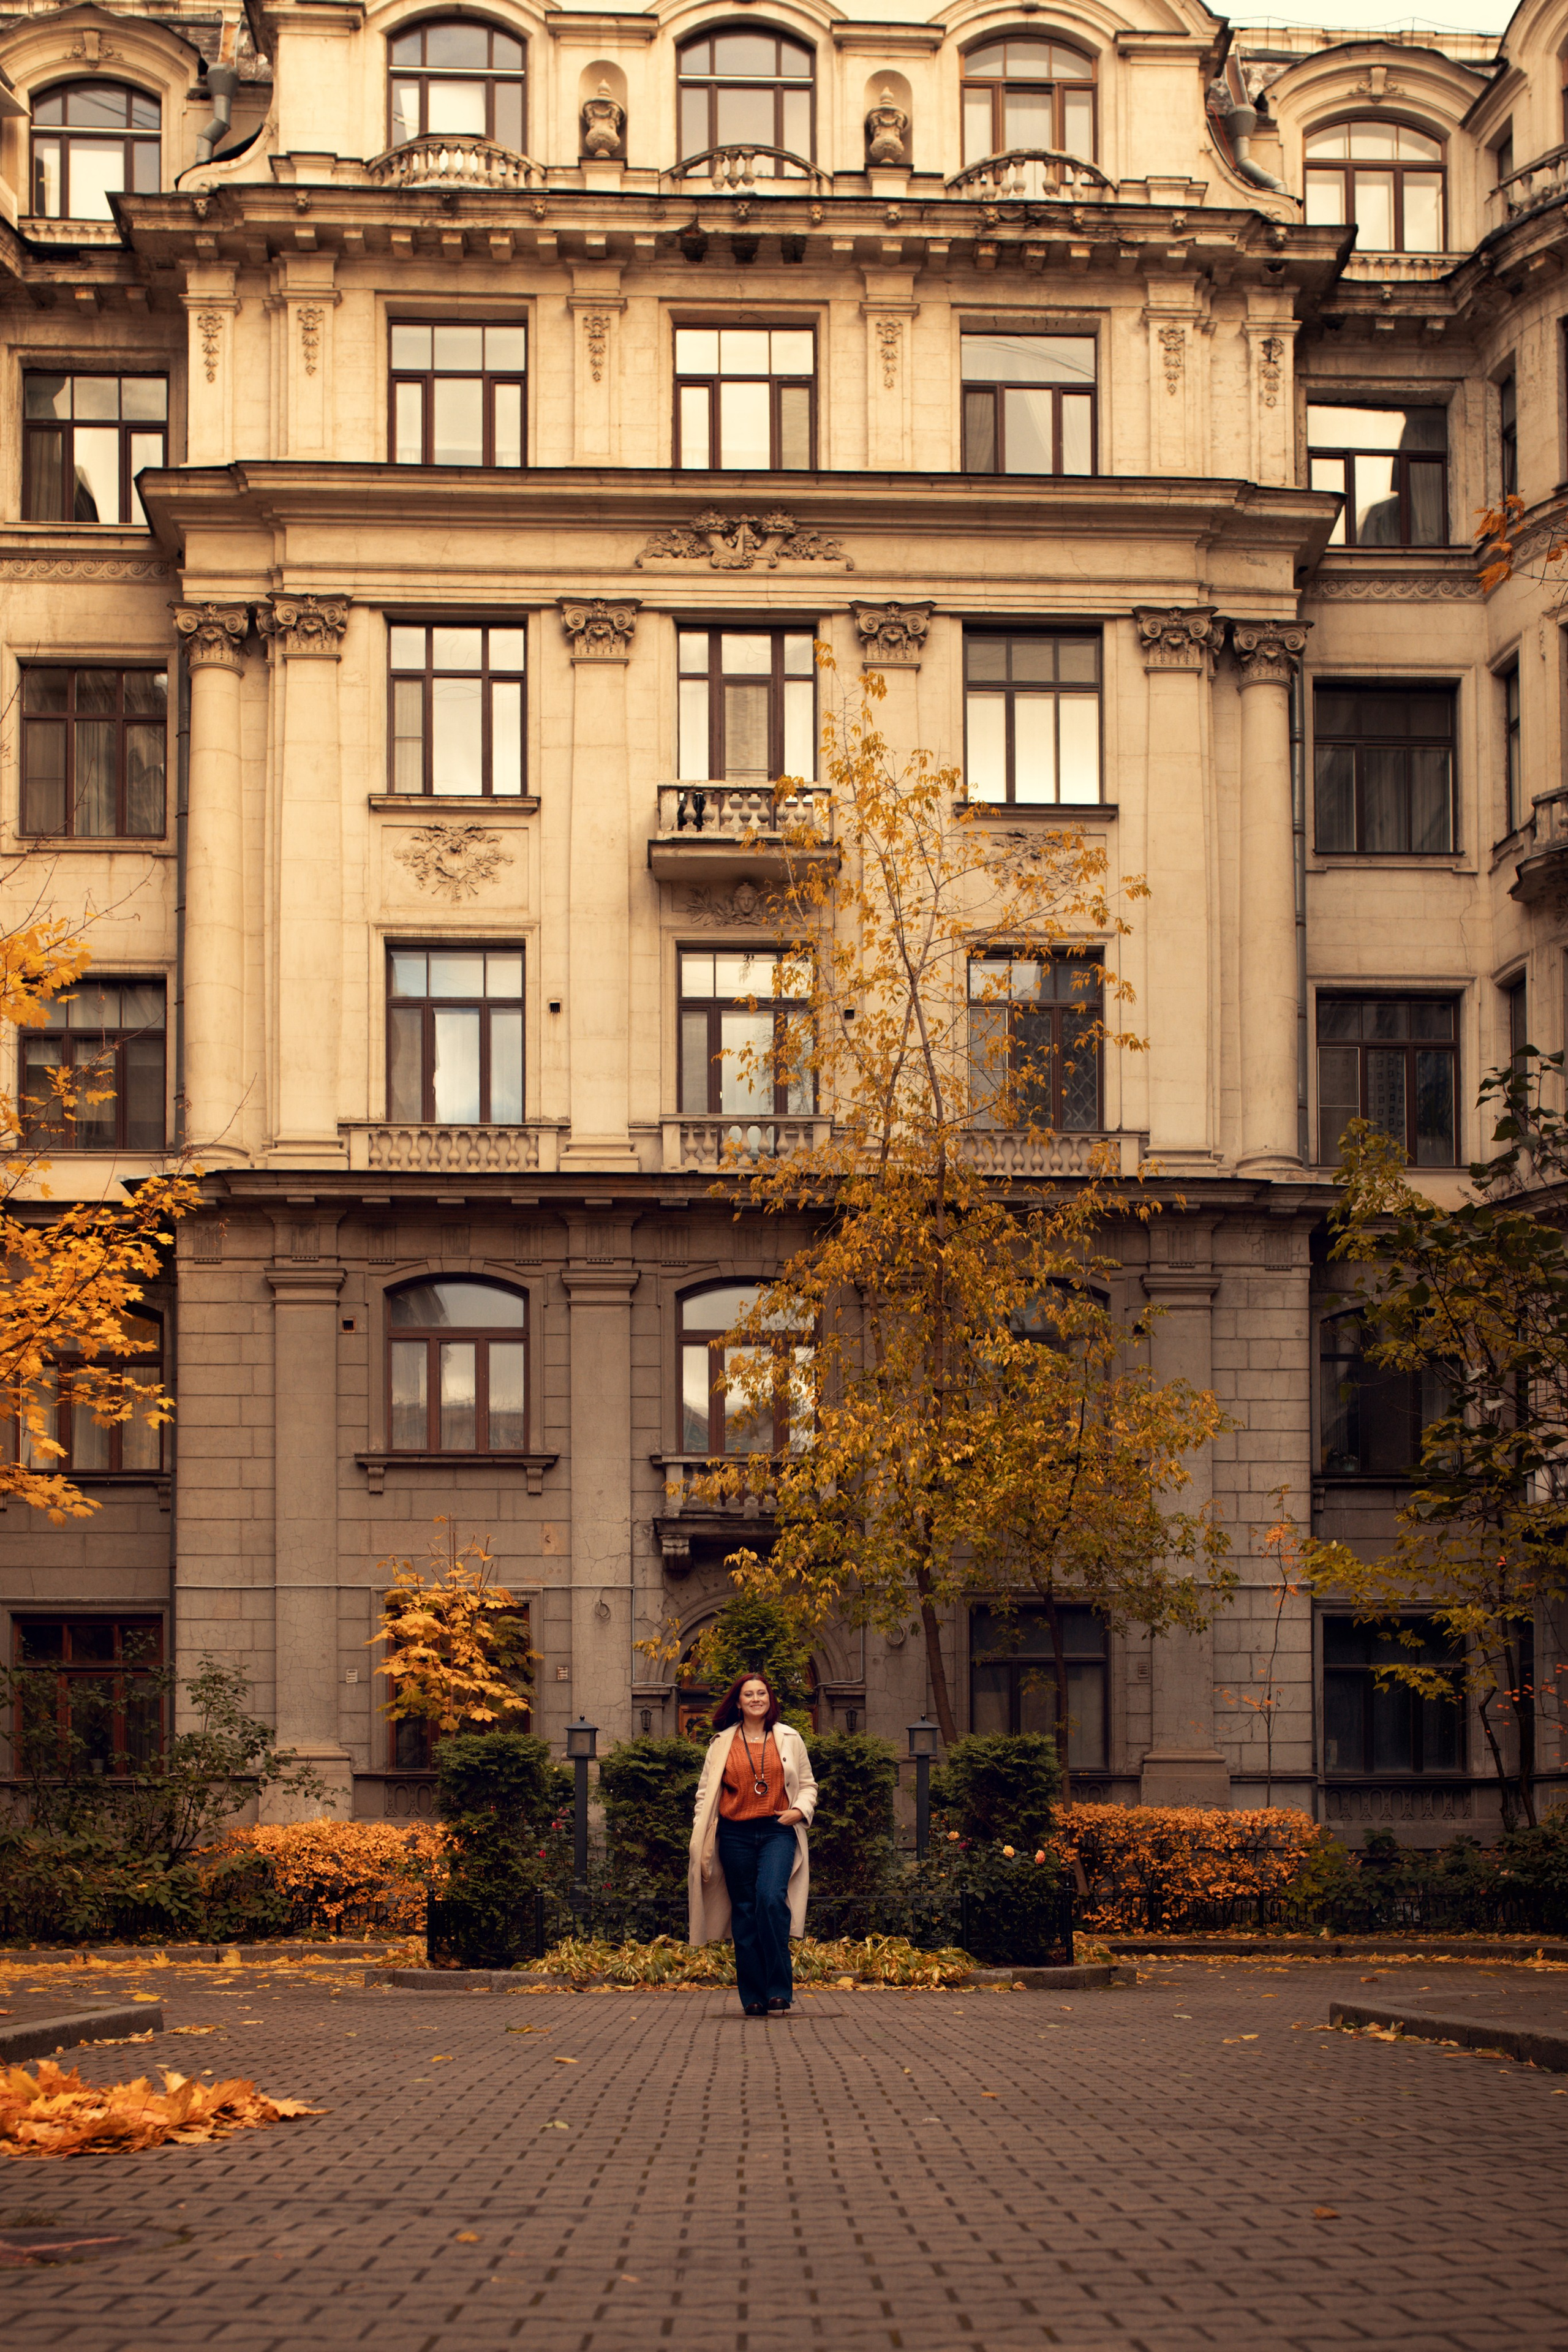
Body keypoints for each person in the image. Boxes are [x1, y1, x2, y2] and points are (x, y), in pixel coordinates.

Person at [688, 1671, 817, 2016]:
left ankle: (778, 1988)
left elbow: (808, 1785)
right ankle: (754, 1996)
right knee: (744, 1909)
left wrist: (798, 1811)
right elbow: (705, 1794)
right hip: (735, 1833)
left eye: (762, 1693)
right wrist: (702, 1830)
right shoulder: (722, 1743)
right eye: (749, 1694)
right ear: (739, 1701)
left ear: (770, 1700)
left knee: (770, 1898)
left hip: (777, 1830)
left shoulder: (790, 1738)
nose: (757, 1699)